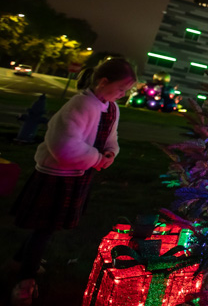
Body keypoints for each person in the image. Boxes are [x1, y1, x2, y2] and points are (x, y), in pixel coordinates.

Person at [9, 58, 136, 305]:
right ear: (103, 81)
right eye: (121, 88)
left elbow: (111, 136)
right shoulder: (80, 105)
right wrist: (97, 158)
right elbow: (63, 147)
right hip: (57, 175)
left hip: (79, 174)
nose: (123, 94)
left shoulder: (111, 108)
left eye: (126, 90)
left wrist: (110, 153)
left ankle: (19, 260)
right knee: (44, 228)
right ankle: (25, 280)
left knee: (48, 226)